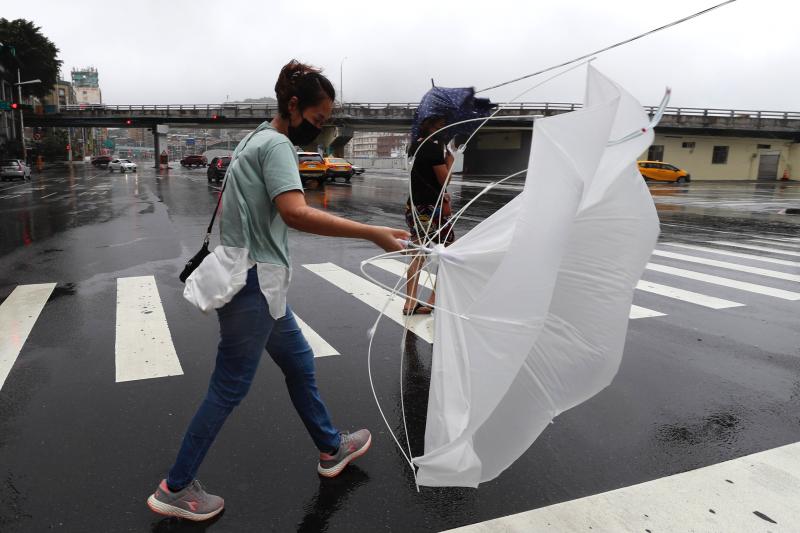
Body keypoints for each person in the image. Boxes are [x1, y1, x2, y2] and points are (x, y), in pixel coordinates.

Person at [147, 59, 409, 522]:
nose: (321, 129)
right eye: (318, 119)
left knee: (300, 362)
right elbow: (296, 213)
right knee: (228, 387)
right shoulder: (277, 148)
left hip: (256, 281)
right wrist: (371, 232)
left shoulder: (252, 138)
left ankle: (331, 448)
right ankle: (176, 486)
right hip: (253, 281)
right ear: (293, 105)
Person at [403, 116, 455, 315]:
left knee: (417, 253)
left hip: (414, 207)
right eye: (442, 126)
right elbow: (444, 181)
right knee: (449, 253)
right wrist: (449, 160)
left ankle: (409, 302)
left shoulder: (414, 146)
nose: (445, 130)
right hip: (434, 209)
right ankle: (432, 301)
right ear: (433, 127)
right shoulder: (433, 149)